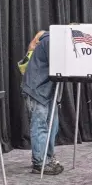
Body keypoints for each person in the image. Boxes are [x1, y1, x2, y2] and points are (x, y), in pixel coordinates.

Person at [21, 30, 64, 175]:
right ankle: (40, 162)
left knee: (52, 126)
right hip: (37, 89)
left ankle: (48, 157)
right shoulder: (50, 41)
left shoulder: (49, 40)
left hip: (48, 89)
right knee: (40, 126)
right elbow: (61, 65)